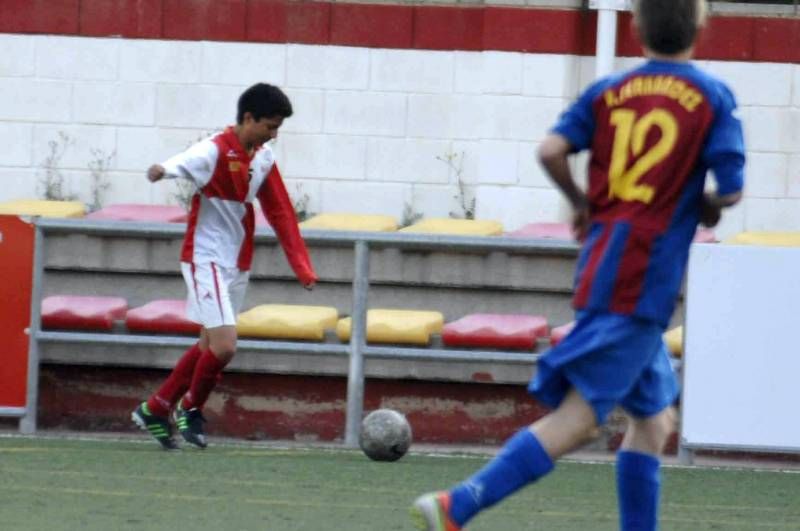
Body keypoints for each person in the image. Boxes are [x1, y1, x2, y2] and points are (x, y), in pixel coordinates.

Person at [411, 0, 744, 529]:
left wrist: (581, 202)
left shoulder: (608, 91)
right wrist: (705, 202)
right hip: (643, 285)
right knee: (579, 420)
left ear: (634, 27)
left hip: (605, 268)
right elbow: (730, 191)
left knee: (654, 422)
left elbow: (550, 150)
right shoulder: (712, 96)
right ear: (703, 25)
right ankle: (460, 504)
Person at [131, 83, 317, 450]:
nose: (274, 134)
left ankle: (156, 407)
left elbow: (279, 210)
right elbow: (187, 160)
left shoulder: (263, 157)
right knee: (226, 345)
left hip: (236, 257)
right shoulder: (216, 148)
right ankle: (191, 408)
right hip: (206, 257)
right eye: (270, 126)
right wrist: (162, 170)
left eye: (278, 127)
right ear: (248, 118)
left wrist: (302, 266)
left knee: (208, 345)